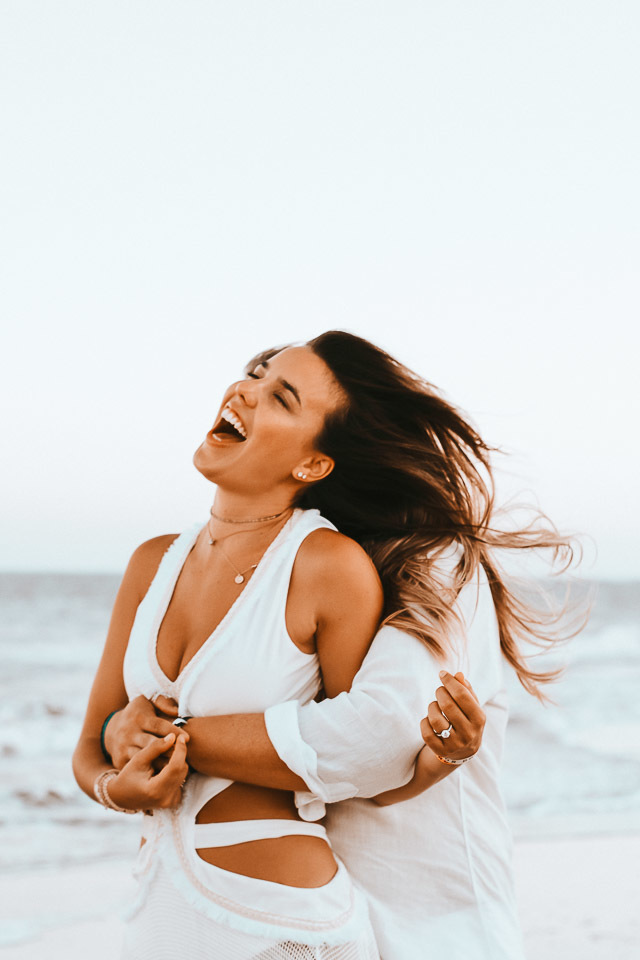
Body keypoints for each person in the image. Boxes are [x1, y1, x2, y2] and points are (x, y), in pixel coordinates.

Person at [98, 332, 577, 959]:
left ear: (318, 460)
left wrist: (159, 735)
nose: (246, 389)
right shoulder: (284, 552)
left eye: (283, 395)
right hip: (275, 904)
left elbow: (375, 737)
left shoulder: (434, 564)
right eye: (257, 373)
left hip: (433, 928)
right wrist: (115, 749)